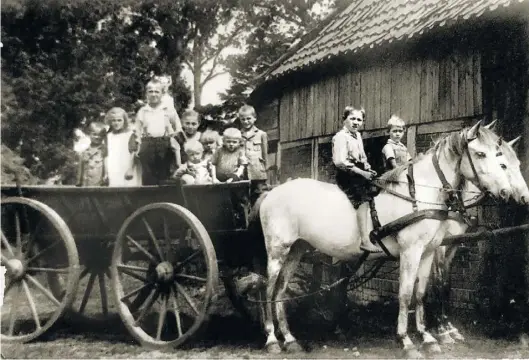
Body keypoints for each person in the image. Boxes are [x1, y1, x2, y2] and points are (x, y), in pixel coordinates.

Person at [332, 106, 381, 253]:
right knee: (363, 200)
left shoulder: (357, 136)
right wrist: (362, 173)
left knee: (376, 191)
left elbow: (363, 157)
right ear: (344, 119)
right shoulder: (341, 136)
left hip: (359, 172)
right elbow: (340, 162)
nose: (356, 122)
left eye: (359, 120)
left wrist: (368, 168)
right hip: (346, 174)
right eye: (352, 118)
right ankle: (364, 241)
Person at [135, 80, 181, 185]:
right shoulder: (142, 111)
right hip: (147, 144)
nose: (153, 94)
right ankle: (150, 199)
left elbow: (178, 128)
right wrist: (138, 147)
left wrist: (173, 139)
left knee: (165, 175)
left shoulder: (168, 110)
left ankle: (164, 198)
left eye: (157, 91)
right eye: (150, 91)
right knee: (148, 176)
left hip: (164, 144)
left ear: (162, 94)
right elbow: (137, 131)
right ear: (146, 94)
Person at [105, 107, 141, 186]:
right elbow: (106, 155)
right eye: (113, 120)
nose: (116, 123)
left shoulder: (130, 135)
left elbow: (133, 153)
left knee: (128, 188)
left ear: (124, 121)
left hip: (126, 167)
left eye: (119, 120)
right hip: (113, 167)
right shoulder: (108, 136)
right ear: (110, 122)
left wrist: (130, 169)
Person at [239, 105, 268, 201]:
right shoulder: (237, 135)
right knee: (243, 198)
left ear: (254, 118)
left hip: (258, 171)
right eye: (243, 119)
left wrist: (265, 170)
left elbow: (265, 154)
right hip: (243, 172)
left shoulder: (261, 134)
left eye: (248, 118)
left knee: (259, 196)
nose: (246, 121)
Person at [76, 122, 108, 186]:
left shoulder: (105, 151)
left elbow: (106, 170)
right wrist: (78, 182)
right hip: (85, 186)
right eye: (94, 134)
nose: (97, 137)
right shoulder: (84, 152)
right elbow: (80, 170)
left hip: (99, 187)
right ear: (89, 135)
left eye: (100, 135)